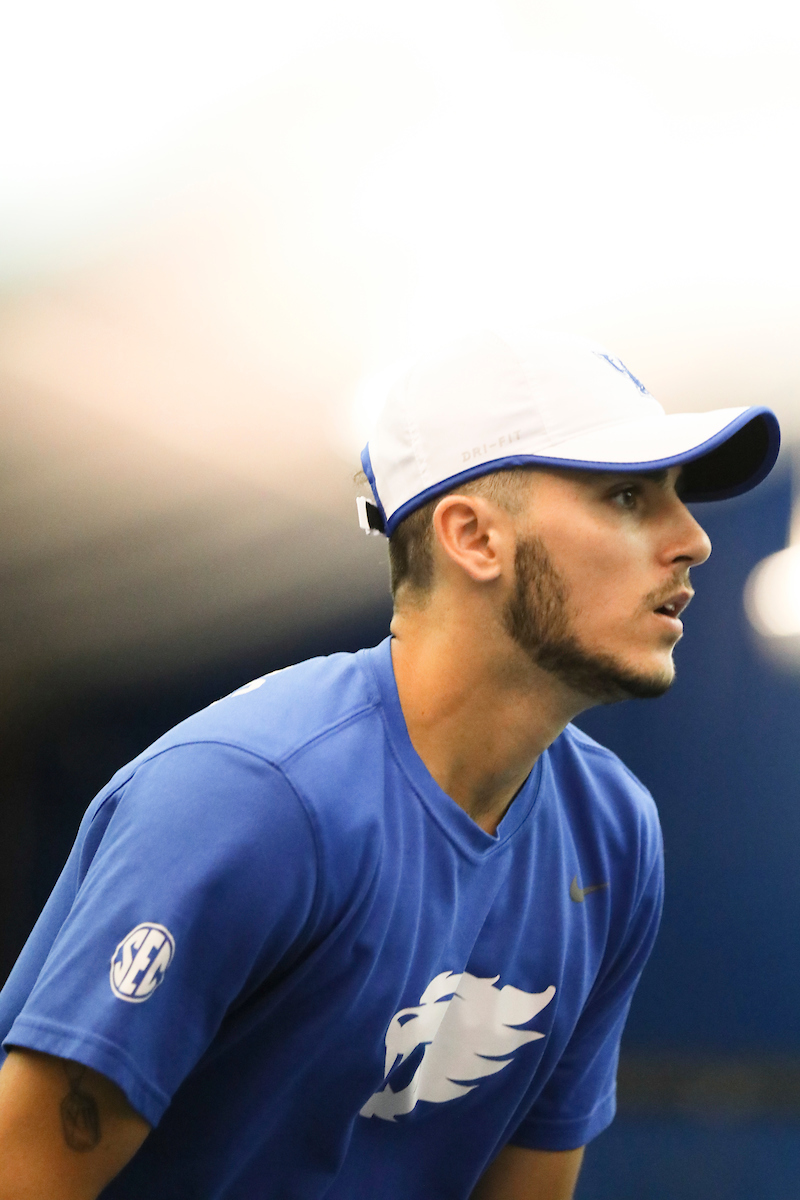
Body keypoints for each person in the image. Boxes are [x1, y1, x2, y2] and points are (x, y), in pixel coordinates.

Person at [0, 329, 780, 1200]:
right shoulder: (251, 796)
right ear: (474, 537)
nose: (693, 540)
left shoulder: (611, 834)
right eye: (631, 497)